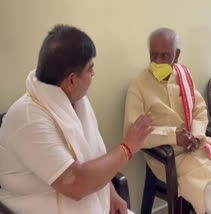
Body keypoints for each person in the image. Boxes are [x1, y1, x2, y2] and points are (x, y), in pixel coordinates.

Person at [0, 24, 153, 214]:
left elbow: (92, 154)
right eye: (90, 69)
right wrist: (127, 148)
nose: (93, 74)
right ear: (72, 80)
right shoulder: (29, 120)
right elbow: (75, 184)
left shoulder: (75, 101)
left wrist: (110, 195)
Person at [123, 28, 211, 214]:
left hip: (198, 147)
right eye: (153, 55)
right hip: (170, 157)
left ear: (177, 54)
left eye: (164, 55)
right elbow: (132, 134)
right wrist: (174, 136)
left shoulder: (183, 76)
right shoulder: (139, 86)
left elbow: (200, 111)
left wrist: (197, 136)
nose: (158, 61)